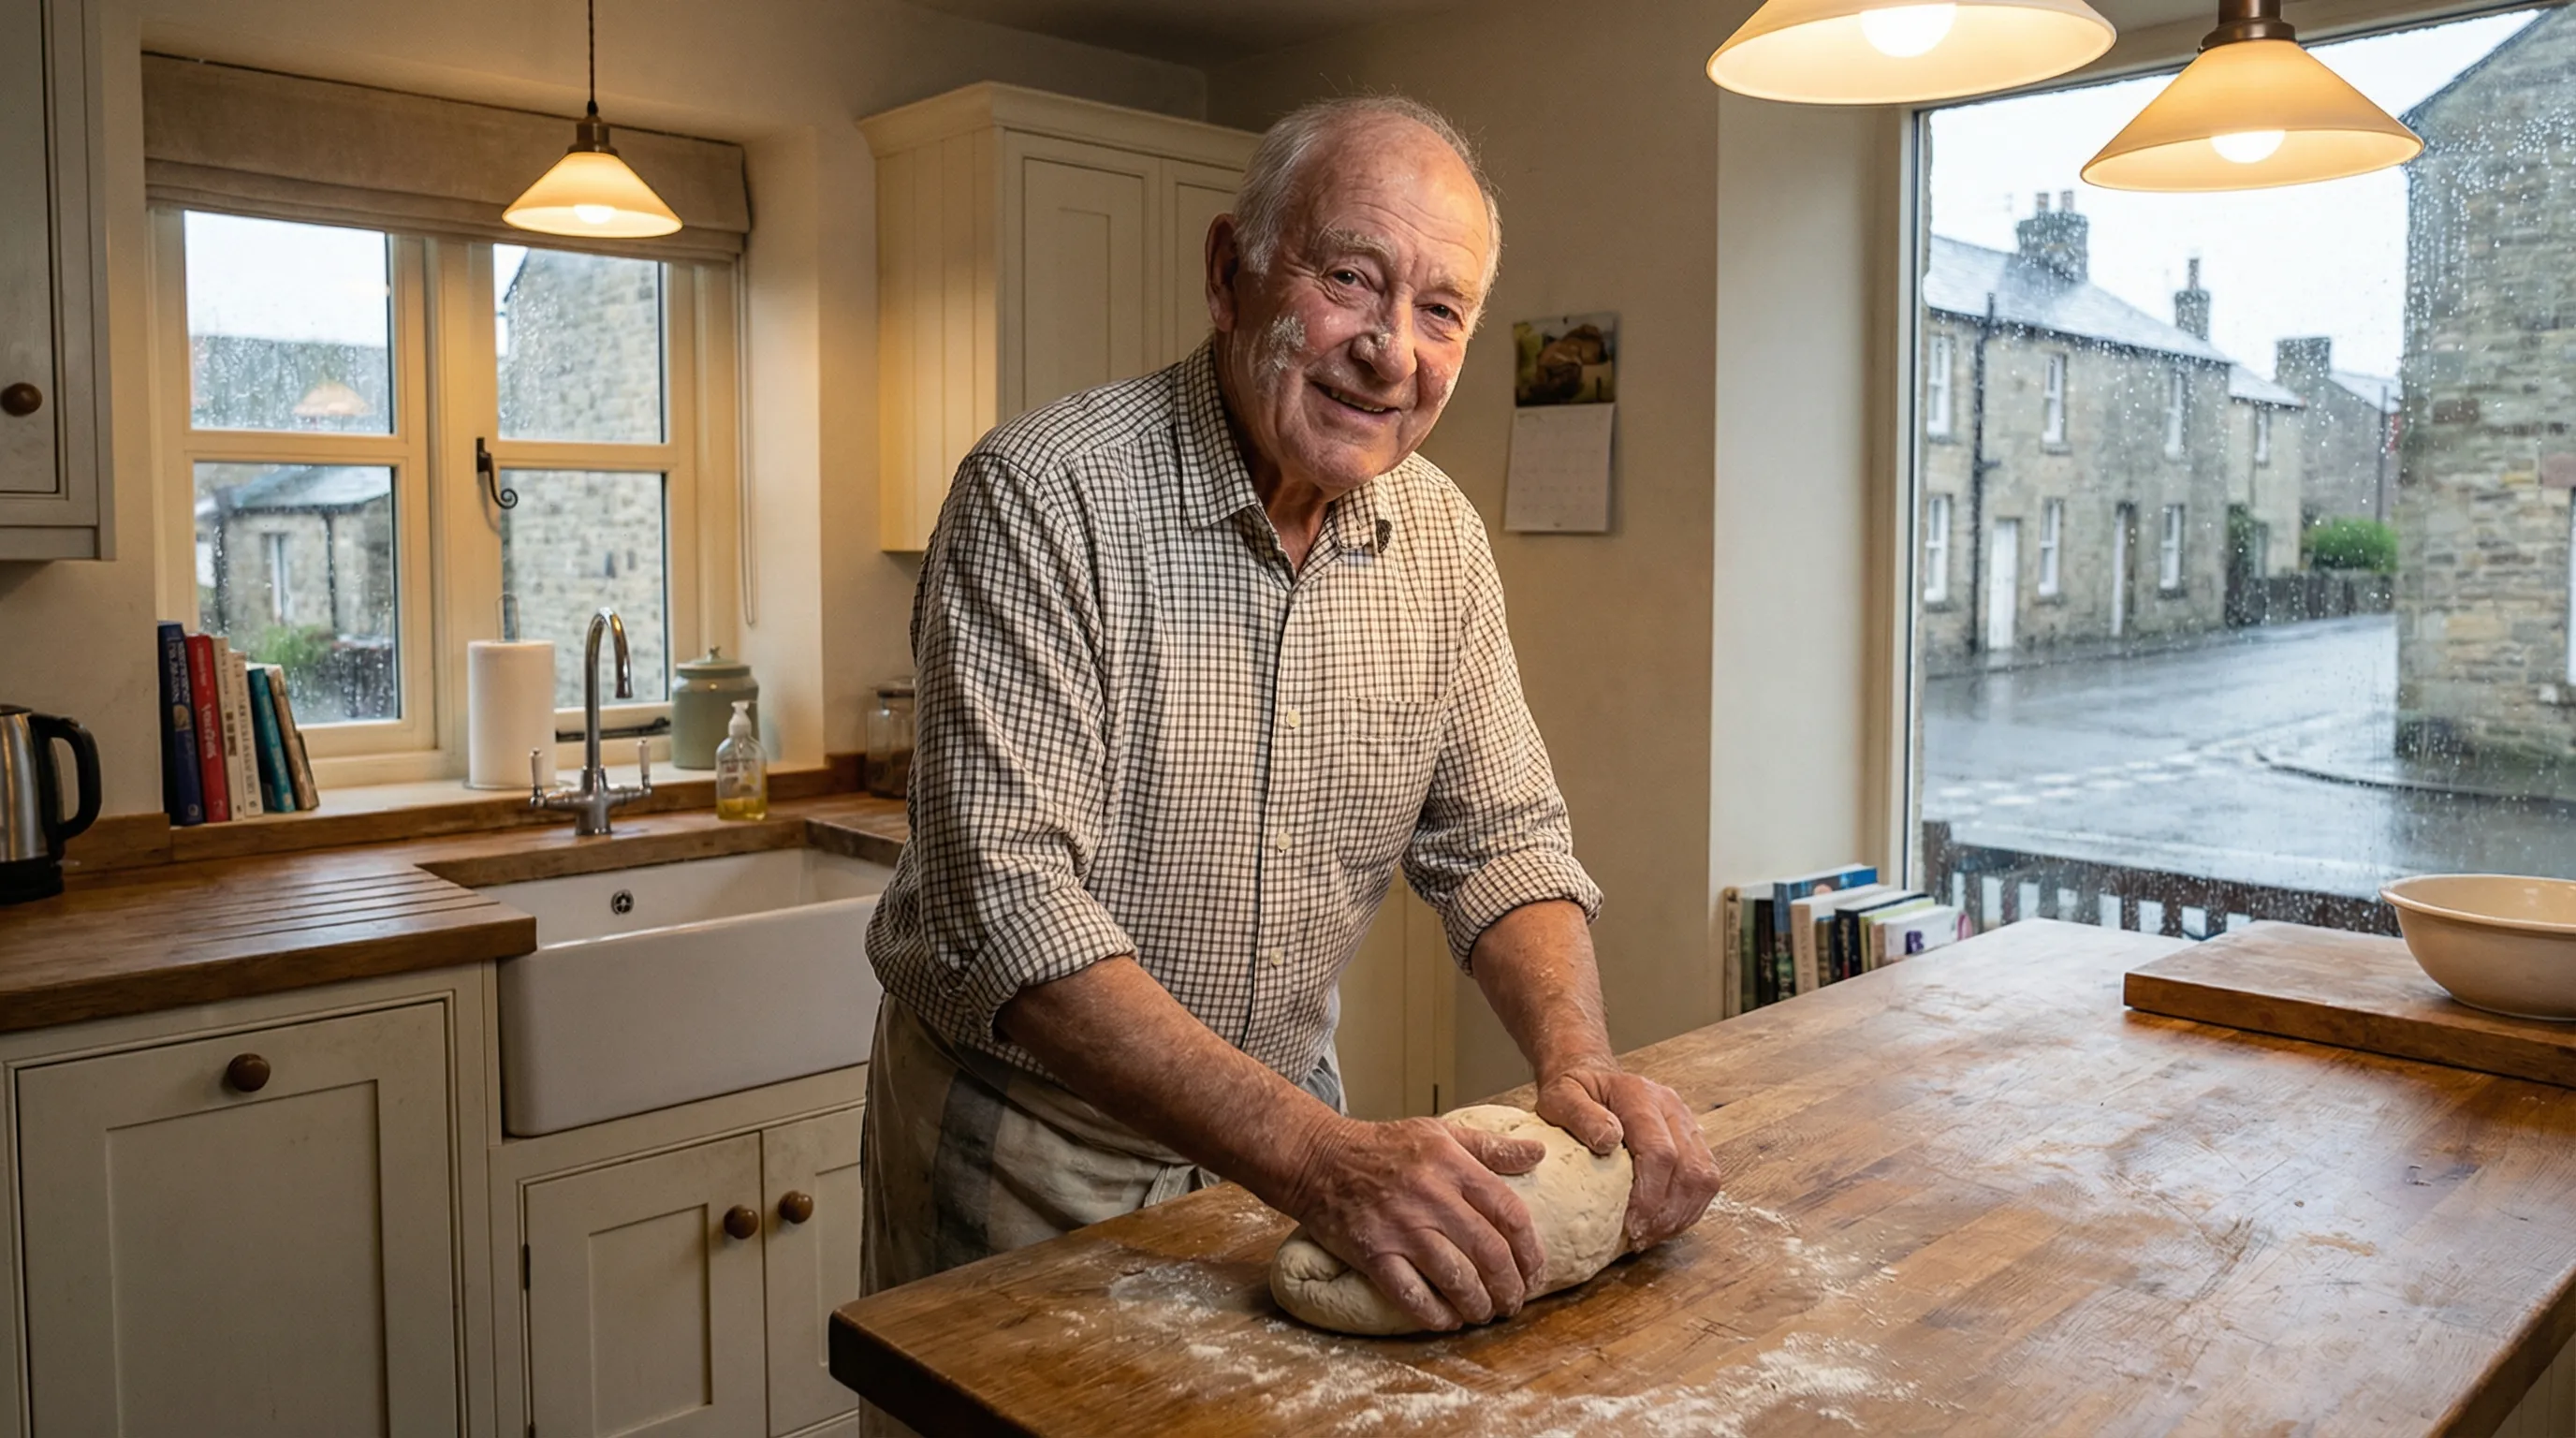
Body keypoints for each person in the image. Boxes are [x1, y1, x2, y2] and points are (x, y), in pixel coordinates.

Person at [858, 90, 1723, 1379]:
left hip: (1294, 1139)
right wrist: (1321, 1158)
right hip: (1033, 1156)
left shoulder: (1439, 540)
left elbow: (1505, 842)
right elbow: (1011, 918)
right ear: (1230, 273)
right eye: (1349, 280)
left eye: (1440, 312)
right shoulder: (1043, 496)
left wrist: (1578, 1064)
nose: (1390, 349)